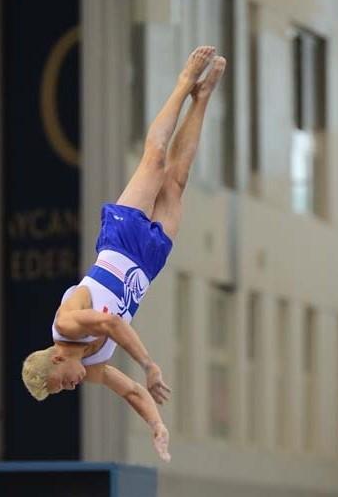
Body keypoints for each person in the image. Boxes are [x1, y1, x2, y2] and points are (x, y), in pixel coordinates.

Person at [22, 46, 227, 462]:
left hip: (119, 243)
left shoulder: (66, 324)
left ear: (57, 358)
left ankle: (184, 83)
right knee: (176, 183)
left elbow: (112, 322)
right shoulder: (92, 366)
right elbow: (130, 391)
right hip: (146, 266)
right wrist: (157, 425)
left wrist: (149, 364)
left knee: (154, 161)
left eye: (61, 384)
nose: (71, 388)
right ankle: (202, 98)